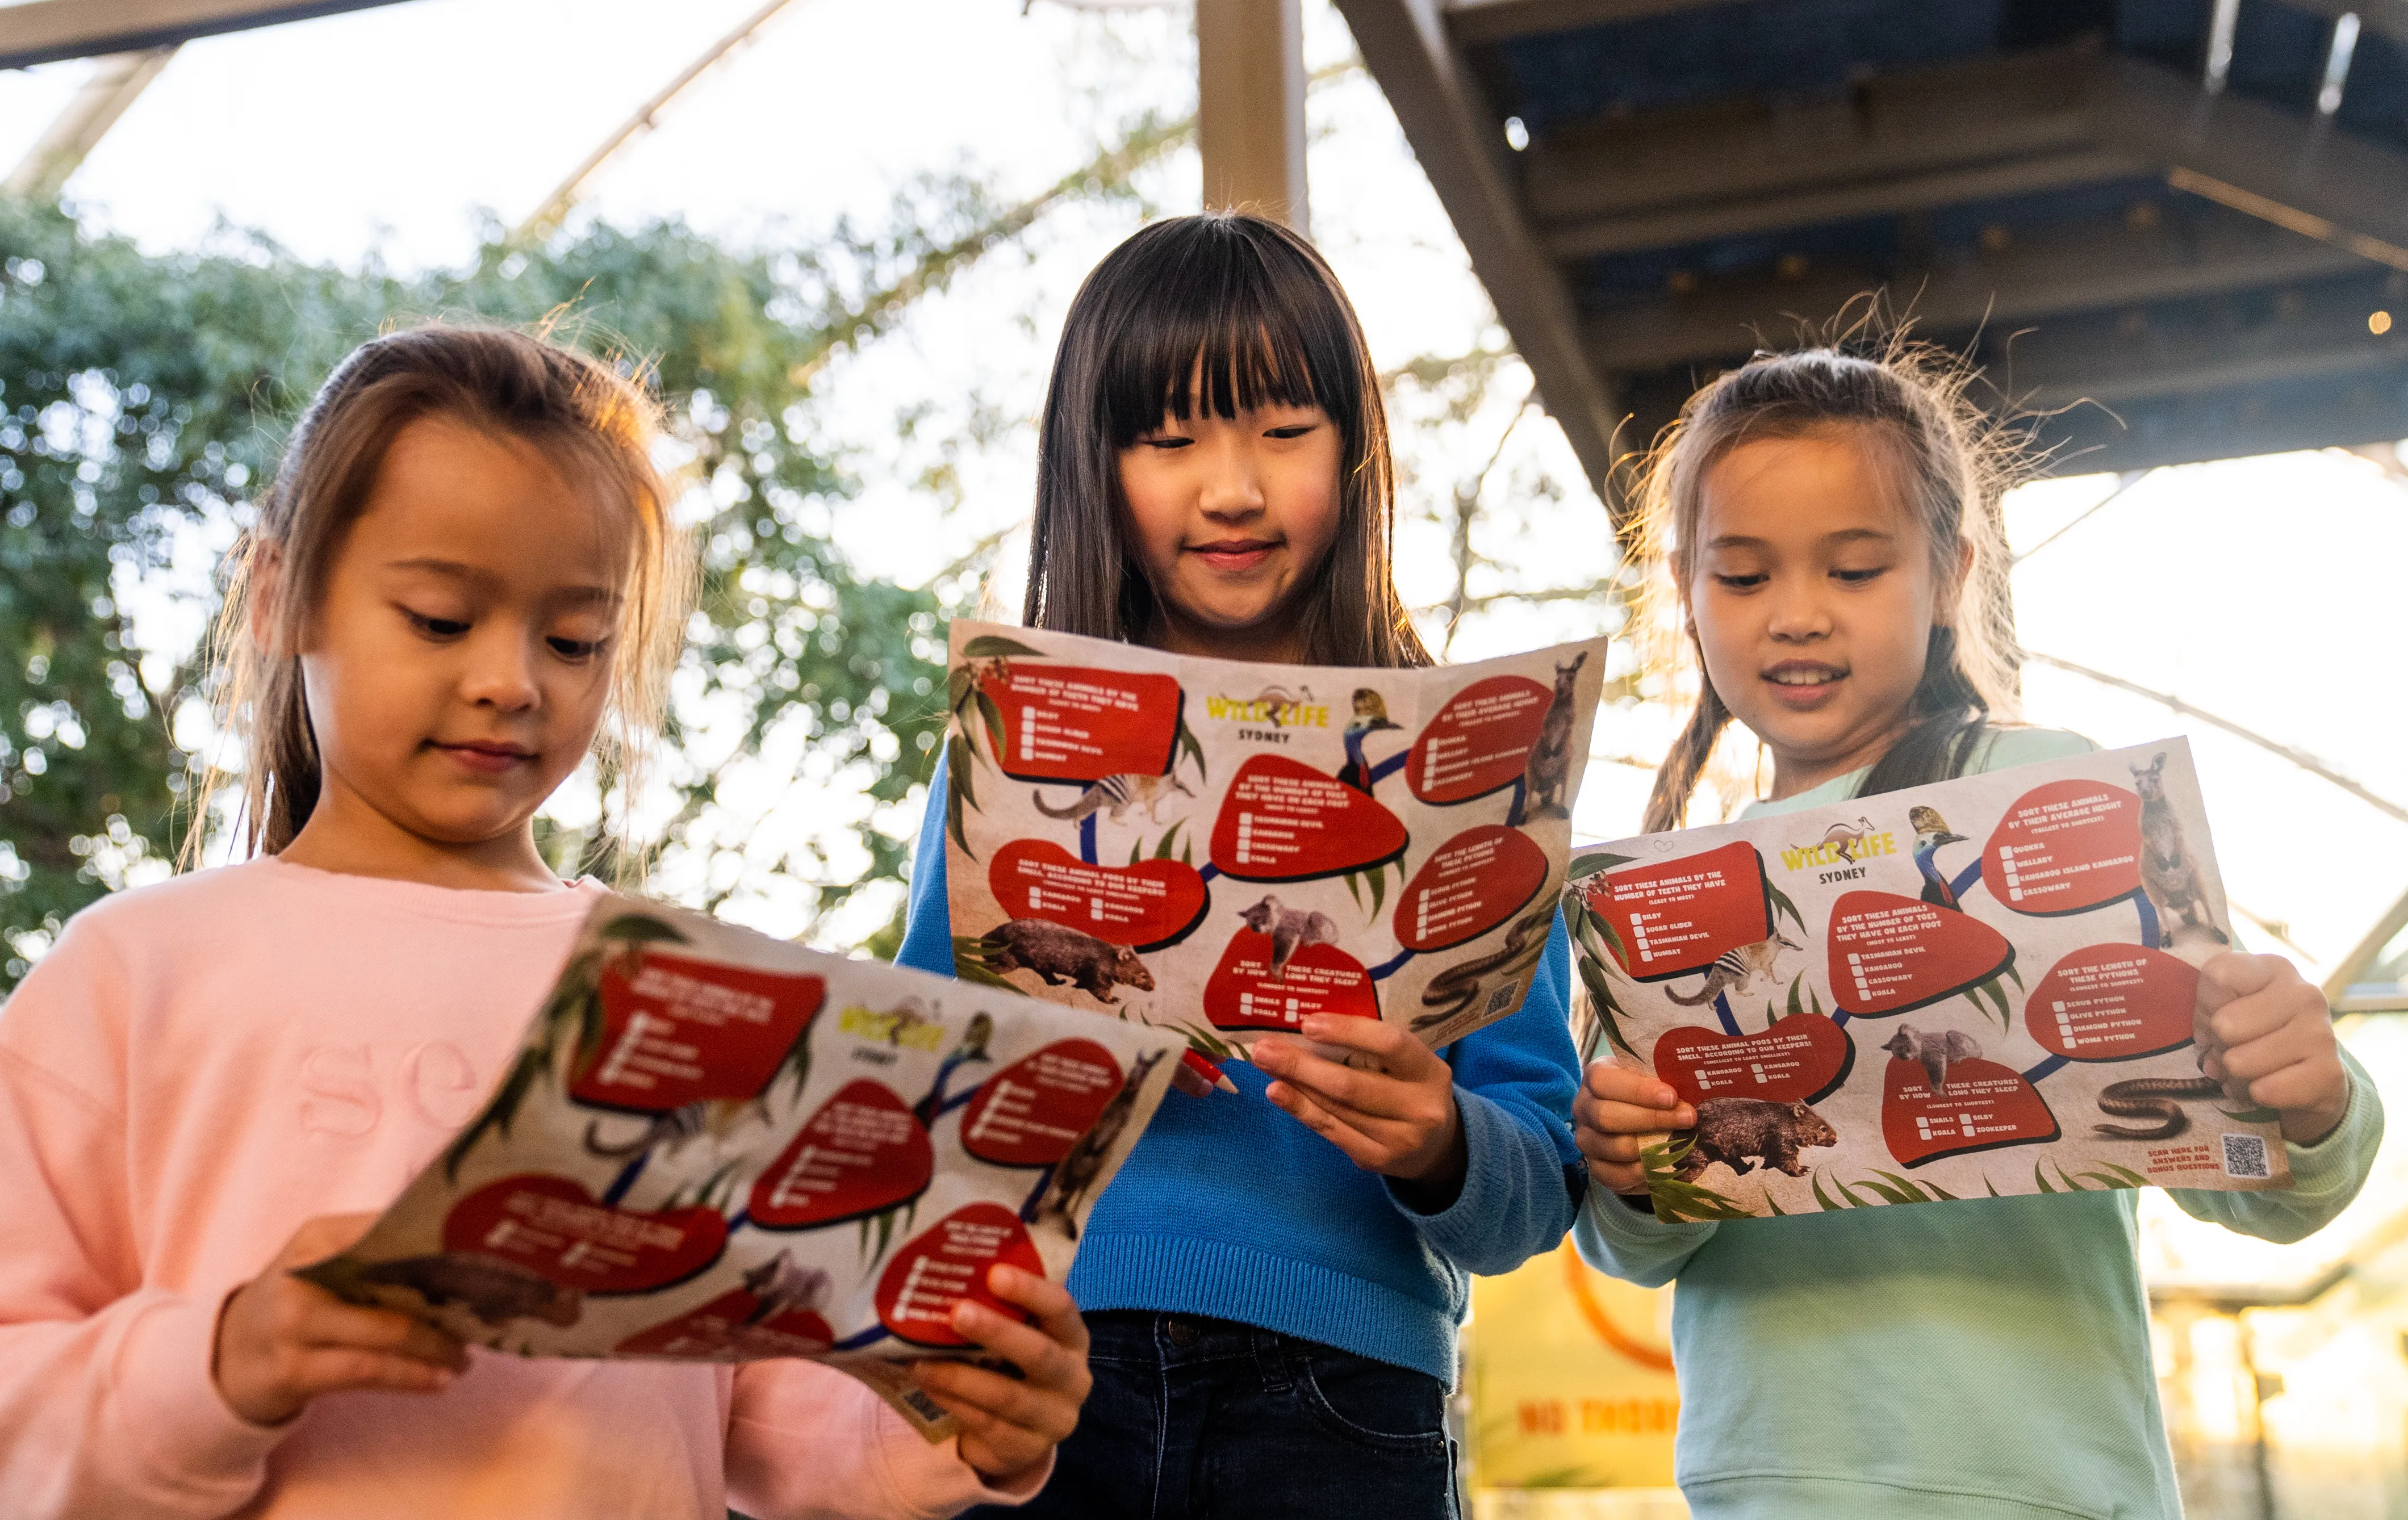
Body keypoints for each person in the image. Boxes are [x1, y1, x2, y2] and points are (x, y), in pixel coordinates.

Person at [0, 325, 1087, 1519]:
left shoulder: (695, 995)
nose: (513, 681)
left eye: (574, 640)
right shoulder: (135, 970)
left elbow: (776, 1417)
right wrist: (220, 1359)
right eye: (438, 617)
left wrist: (963, 1413)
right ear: (278, 597)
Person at [1556, 344, 2383, 1519]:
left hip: (2046, 1483)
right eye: (1740, 577)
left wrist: (2309, 1094)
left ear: (1948, 572)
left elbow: (2256, 1184)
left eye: (1851, 568)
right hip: (1773, 1490)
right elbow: (1632, 1250)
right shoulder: (1667, 900)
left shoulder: (2051, 801)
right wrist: (1626, 1171)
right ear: (1681, 587)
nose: (1794, 615)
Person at [896, 214, 1583, 1518]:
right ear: (1093, 465)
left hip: (1345, 1397)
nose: (1230, 488)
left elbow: (1535, 1186)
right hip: (1040, 1377)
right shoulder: (1005, 754)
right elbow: (919, 1087)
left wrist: (1436, 1141)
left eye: (1282, 432)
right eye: (1168, 439)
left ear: (1356, 450)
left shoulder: (1466, 769)